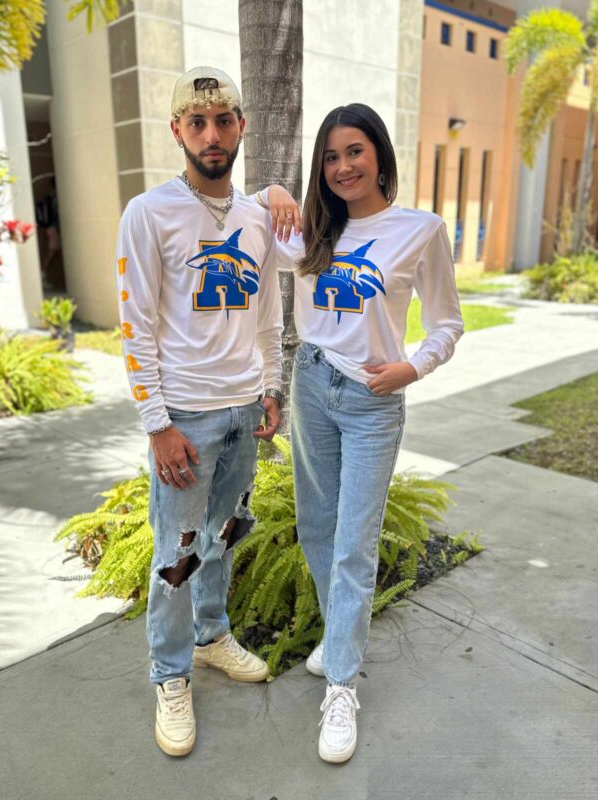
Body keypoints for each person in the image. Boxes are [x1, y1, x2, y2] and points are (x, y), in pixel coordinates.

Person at [254, 103, 464, 764]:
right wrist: (275, 190)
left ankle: (341, 685)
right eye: (330, 156)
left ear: (379, 155)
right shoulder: (311, 231)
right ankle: (337, 635)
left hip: (373, 399)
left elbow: (447, 323)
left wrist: (413, 365)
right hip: (312, 384)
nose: (343, 167)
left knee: (353, 541)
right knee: (317, 526)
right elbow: (244, 214)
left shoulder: (420, 230)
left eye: (355, 152)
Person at [115, 66, 284, 758]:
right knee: (176, 554)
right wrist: (157, 423)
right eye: (197, 122)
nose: (211, 135)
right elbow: (135, 324)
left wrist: (271, 389)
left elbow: (271, 311)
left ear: (242, 127)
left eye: (224, 121)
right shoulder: (149, 213)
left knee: (225, 534)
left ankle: (212, 637)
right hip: (185, 419)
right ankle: (170, 672)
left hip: (245, 412)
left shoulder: (255, 218)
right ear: (178, 130)